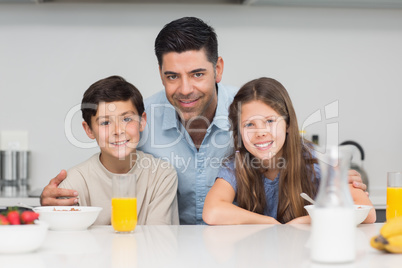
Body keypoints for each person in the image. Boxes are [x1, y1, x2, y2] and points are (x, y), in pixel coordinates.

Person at [40, 17, 367, 225]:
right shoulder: (138, 119)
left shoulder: (248, 114)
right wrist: (61, 203)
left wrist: (336, 180)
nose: (185, 89)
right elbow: (105, 161)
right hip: (166, 250)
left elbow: (291, 148)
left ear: (218, 69)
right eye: (172, 76)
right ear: (160, 74)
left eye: (197, 74)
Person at [202, 77, 376, 225]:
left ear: (288, 124)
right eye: (249, 124)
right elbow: (212, 211)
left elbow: (367, 213)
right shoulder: (236, 165)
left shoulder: (314, 160)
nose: (260, 132)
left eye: (270, 121)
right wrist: (270, 223)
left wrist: (303, 221)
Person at [56, 75, 179, 225]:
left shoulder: (162, 175)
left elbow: (159, 241)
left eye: (127, 119)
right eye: (105, 122)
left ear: (142, 121)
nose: (118, 130)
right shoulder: (74, 183)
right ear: (88, 129)